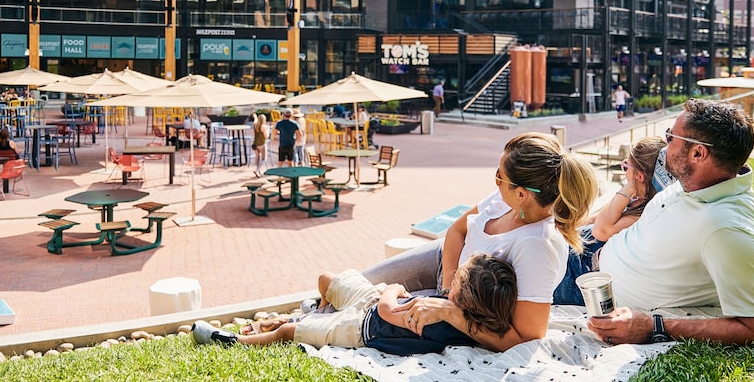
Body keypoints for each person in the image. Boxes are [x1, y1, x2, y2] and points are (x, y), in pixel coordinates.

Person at [361, 132, 599, 352]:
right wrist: (446, 289)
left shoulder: (538, 247)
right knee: (363, 283)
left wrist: (450, 311)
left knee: (367, 308)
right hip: (446, 261)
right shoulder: (508, 198)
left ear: (521, 194)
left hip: (464, 298)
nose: (496, 180)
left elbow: (525, 339)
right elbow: (457, 230)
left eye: (499, 176)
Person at [575, 99, 754, 347]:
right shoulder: (696, 182)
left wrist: (654, 327)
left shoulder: (725, 228)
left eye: (671, 137)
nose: (665, 145)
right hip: (590, 251)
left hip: (589, 286)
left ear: (697, 153)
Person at [191, 253, 517, 355]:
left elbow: (388, 310)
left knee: (288, 332)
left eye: (457, 279)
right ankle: (320, 312)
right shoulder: (468, 317)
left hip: (361, 327)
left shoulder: (437, 317)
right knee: (326, 279)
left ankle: (232, 341)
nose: (451, 279)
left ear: (462, 296)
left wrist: (393, 288)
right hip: (370, 302)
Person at [551, 137, 668, 305]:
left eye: (626, 166)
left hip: (579, 275)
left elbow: (601, 231)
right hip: (576, 253)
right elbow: (596, 218)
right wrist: (561, 229)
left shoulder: (643, 216)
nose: (624, 171)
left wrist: (629, 187)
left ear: (640, 175)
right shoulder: (635, 199)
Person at [251, 113, 268, 177]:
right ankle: (257, 170)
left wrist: (255, 116)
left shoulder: (255, 125)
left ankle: (258, 171)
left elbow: (255, 120)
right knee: (264, 158)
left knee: (257, 157)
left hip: (255, 143)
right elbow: (266, 136)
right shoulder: (263, 126)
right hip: (262, 143)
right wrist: (268, 130)